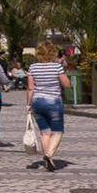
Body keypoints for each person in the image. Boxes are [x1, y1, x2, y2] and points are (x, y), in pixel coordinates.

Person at [26, 42, 70, 172]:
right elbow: (66, 84)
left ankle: (48, 161)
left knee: (45, 132)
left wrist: (28, 104)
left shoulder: (32, 67)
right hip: (54, 102)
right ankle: (49, 154)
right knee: (58, 131)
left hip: (37, 102)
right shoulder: (57, 67)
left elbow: (30, 88)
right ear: (53, 53)